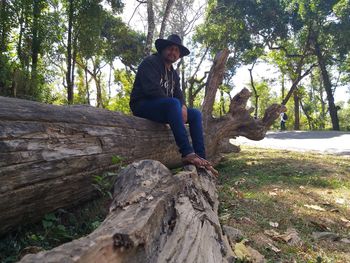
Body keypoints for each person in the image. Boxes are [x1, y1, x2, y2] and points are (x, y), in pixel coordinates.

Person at [129, 34, 218, 176]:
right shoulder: (150, 62)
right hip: (142, 105)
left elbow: (178, 93)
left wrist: (182, 106)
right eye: (170, 49)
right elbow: (151, 90)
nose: (173, 52)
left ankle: (201, 158)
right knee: (173, 103)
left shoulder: (173, 74)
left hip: (164, 108)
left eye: (177, 50)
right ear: (163, 49)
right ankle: (187, 153)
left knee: (195, 114)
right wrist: (175, 106)